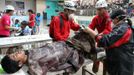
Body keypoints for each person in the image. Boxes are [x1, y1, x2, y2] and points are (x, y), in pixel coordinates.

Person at [84, 9, 134, 75]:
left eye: (112, 20)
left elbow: (105, 41)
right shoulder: (125, 27)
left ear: (117, 19)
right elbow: (115, 41)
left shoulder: (122, 29)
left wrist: (90, 31)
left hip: (121, 67)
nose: (112, 22)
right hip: (121, 63)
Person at [1, 41, 83, 75]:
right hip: (73, 51)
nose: (16, 52)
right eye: (15, 56)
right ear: (20, 63)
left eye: (13, 53)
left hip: (66, 44)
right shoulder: (34, 66)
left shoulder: (28, 54)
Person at [88, 0, 112, 73]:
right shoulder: (96, 18)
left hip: (107, 41)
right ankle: (94, 71)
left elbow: (108, 30)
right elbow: (91, 27)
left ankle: (105, 72)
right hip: (99, 39)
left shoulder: (109, 18)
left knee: (106, 60)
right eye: (97, 9)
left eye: (100, 9)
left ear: (105, 9)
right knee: (96, 56)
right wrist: (86, 30)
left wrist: (99, 34)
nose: (98, 11)